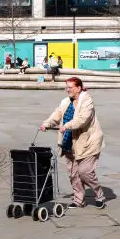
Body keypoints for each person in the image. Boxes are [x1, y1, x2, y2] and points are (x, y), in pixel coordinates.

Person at [40, 77, 106, 209]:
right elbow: (57, 115)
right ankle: (79, 200)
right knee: (74, 174)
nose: (67, 90)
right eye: (66, 87)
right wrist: (47, 123)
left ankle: (99, 195)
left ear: (78, 88)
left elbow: (83, 119)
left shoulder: (87, 101)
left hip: (88, 142)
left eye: (70, 87)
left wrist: (67, 126)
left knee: (85, 172)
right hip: (69, 142)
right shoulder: (65, 102)